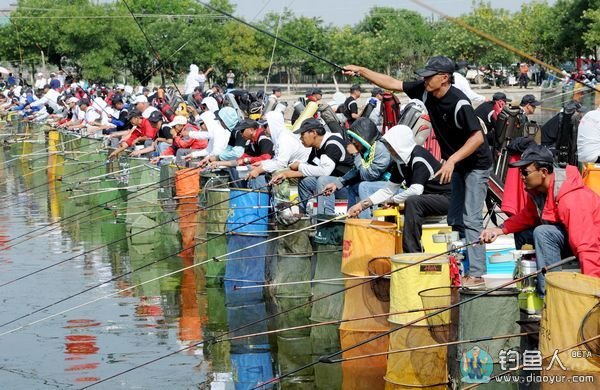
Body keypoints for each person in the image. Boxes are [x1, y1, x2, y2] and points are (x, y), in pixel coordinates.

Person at [344, 55, 492, 287]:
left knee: (471, 217)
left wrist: (451, 159)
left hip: (476, 165)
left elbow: (477, 138)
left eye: (429, 76)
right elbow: (392, 83)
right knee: (455, 218)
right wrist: (362, 69)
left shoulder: (459, 102)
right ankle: (457, 265)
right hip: (457, 164)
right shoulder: (426, 92)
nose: (424, 80)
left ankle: (476, 274)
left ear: (444, 78)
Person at [480, 144, 600, 294]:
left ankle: (551, 294)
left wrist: (593, 291)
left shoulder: (572, 199)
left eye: (525, 172)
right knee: (523, 234)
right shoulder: (538, 190)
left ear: (543, 172)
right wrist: (498, 230)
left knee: (543, 232)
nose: (522, 177)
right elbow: (528, 216)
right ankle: (529, 284)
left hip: (592, 245)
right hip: (572, 239)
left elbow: (587, 247)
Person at [347, 125, 451, 252]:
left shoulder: (419, 157)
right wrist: (362, 205)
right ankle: (388, 250)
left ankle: (412, 253)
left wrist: (393, 200)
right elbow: (388, 190)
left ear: (400, 144)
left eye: (391, 146)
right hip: (428, 200)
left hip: (447, 198)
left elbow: (416, 190)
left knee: (413, 201)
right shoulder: (401, 163)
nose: (389, 149)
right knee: (390, 210)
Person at [270, 118, 353, 215]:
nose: (300, 139)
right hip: (333, 183)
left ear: (313, 133)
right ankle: (304, 214)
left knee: (323, 180)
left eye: (302, 135)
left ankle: (325, 218)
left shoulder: (332, 143)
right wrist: (284, 174)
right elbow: (309, 170)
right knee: (305, 182)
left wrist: (299, 166)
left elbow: (324, 172)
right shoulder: (316, 147)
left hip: (346, 185)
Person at [322, 117, 391, 216]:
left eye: (355, 138)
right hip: (379, 184)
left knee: (363, 186)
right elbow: (356, 171)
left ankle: (365, 224)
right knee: (353, 187)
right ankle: (352, 219)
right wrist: (336, 184)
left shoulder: (380, 149)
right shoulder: (368, 149)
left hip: (392, 186)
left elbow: (369, 176)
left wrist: (356, 154)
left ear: (364, 137)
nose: (353, 142)